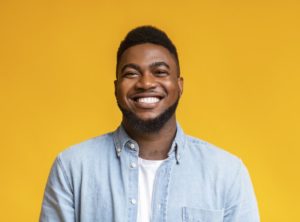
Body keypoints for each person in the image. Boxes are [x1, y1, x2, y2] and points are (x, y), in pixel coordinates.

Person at [40, 26, 260, 222]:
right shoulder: (72, 168)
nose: (145, 82)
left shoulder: (227, 173)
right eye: (132, 73)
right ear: (117, 88)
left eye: (160, 72)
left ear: (179, 85)